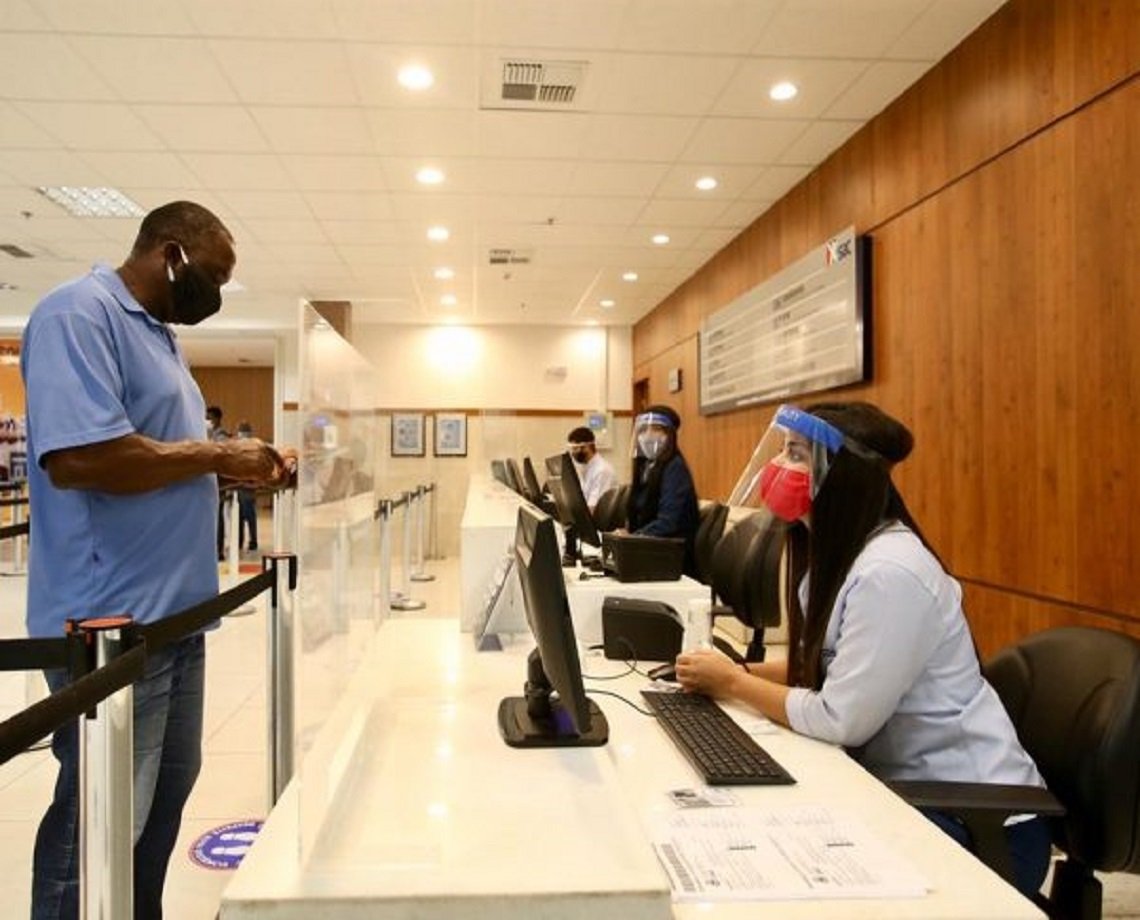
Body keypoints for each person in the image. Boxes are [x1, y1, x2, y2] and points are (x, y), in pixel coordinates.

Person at [21, 200, 294, 920]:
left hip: (177, 618)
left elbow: (162, 457)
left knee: (159, 805)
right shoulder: (78, 314)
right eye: (213, 276)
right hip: (111, 623)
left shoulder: (162, 338)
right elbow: (81, 458)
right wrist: (216, 452)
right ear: (171, 253)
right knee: (100, 819)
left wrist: (242, 469)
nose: (216, 293)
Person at [675, 401, 1051, 897]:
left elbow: (840, 717)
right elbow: (830, 668)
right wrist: (741, 669)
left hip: (982, 824)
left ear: (844, 477)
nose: (780, 467)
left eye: (798, 455)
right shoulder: (842, 556)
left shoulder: (889, 573)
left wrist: (733, 683)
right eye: (784, 451)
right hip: (913, 794)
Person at [620, 405, 699, 572]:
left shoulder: (674, 468)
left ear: (669, 435)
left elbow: (668, 523)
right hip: (648, 551)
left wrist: (632, 539)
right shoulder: (646, 467)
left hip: (670, 558)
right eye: (642, 430)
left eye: (656, 429)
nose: (648, 436)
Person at [566, 425, 617, 510]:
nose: (573, 453)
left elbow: (593, 509)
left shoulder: (602, 471)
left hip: (599, 522)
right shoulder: (587, 468)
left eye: (575, 449)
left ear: (586, 447)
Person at [206, 405, 230, 559]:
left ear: (217, 419)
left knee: (218, 518)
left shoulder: (221, 435)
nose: (207, 421)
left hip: (218, 484)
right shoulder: (209, 434)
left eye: (209, 418)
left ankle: (218, 550)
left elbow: (218, 454)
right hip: (208, 482)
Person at [234, 420, 258, 552]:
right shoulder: (254, 446)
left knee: (243, 517)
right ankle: (251, 541)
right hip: (248, 487)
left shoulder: (239, 447)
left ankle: (242, 542)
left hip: (242, 486)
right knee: (249, 517)